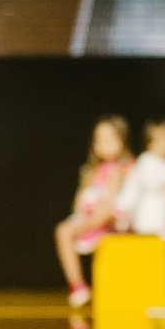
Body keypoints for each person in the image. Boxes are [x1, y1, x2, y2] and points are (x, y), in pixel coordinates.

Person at [54, 116, 134, 307]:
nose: (103, 144)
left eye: (109, 139)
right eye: (99, 139)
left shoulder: (123, 169)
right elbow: (81, 200)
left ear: (122, 140)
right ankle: (77, 285)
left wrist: (92, 221)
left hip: (112, 220)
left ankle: (79, 284)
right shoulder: (92, 170)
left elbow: (113, 202)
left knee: (66, 231)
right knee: (63, 231)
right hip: (91, 218)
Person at [114, 121, 165, 244]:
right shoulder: (147, 161)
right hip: (151, 220)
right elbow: (151, 182)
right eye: (159, 141)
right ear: (149, 144)